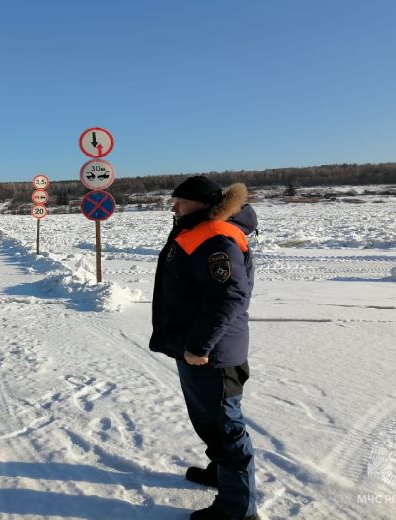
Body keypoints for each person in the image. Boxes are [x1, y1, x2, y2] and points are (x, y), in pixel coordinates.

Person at [149, 176, 259, 520]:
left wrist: (199, 345)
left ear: (201, 203)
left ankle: (237, 509)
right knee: (210, 422)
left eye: (180, 201)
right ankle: (222, 474)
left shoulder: (214, 236)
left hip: (212, 353)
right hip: (198, 348)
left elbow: (229, 296)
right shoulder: (198, 229)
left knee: (225, 427)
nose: (174, 206)